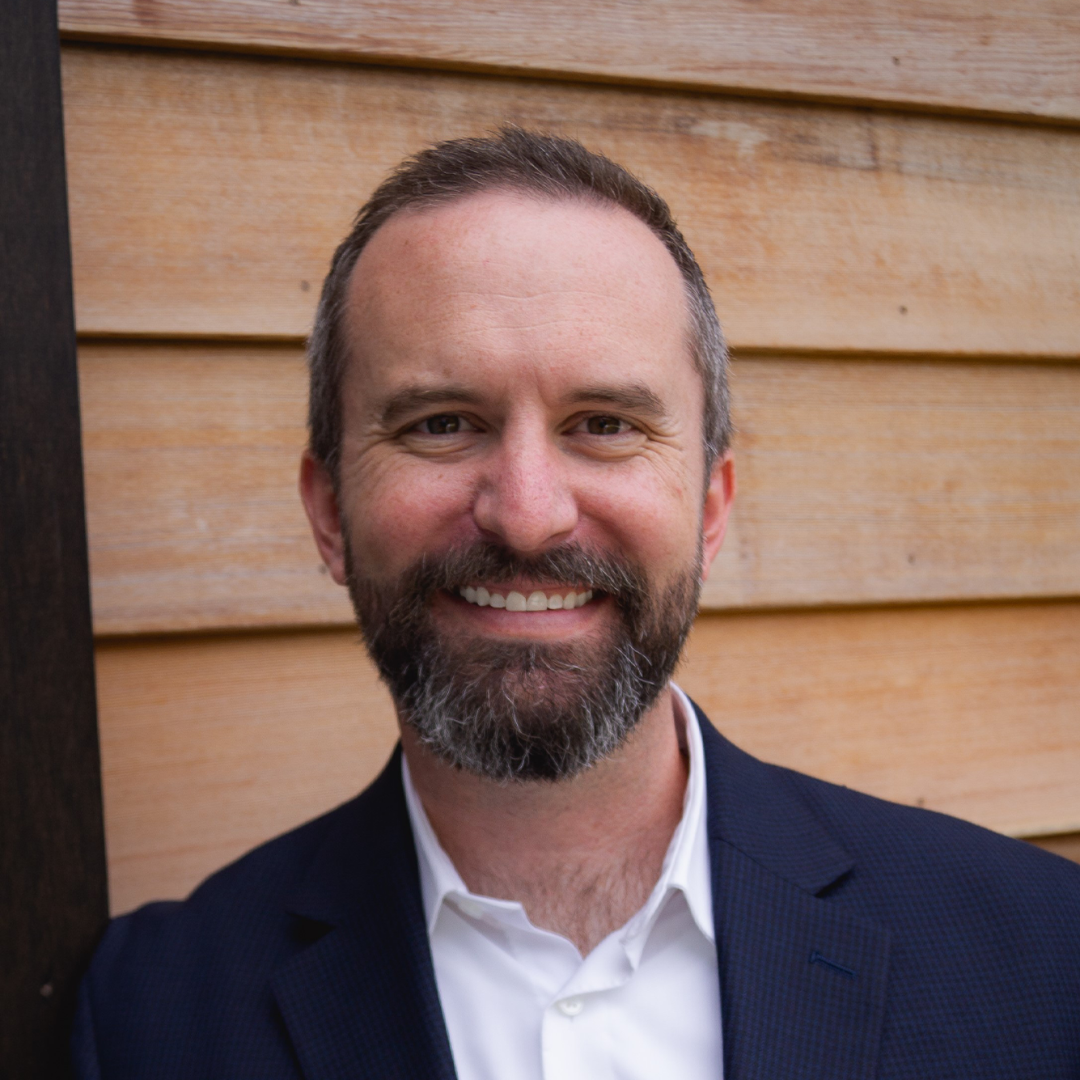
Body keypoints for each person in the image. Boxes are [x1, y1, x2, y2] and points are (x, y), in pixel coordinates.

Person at [73, 128, 1080, 1079]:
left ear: (710, 509)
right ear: (330, 511)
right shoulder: (151, 1020)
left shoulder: (1044, 955)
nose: (527, 515)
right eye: (441, 424)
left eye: (603, 424)